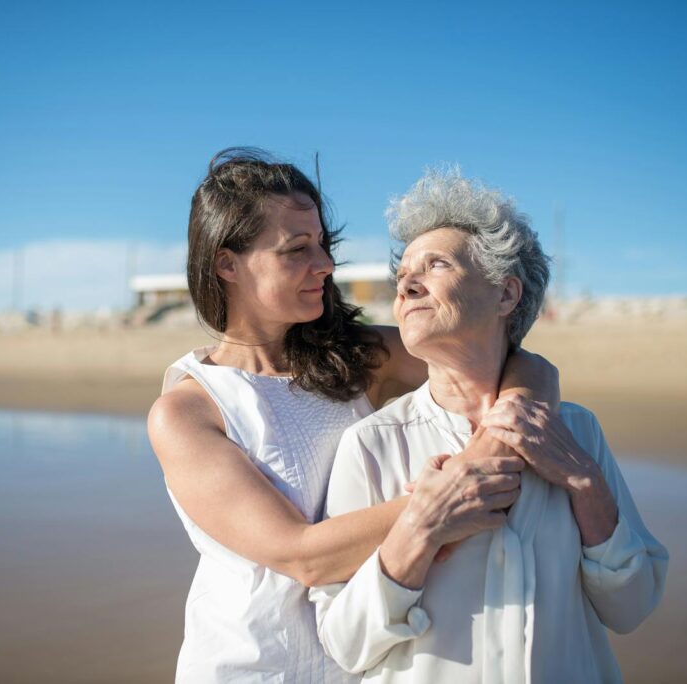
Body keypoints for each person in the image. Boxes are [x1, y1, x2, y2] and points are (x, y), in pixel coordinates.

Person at [147, 149, 559, 682]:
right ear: (227, 264)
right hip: (247, 667)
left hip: (364, 659)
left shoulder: (355, 358)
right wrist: (445, 499)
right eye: (297, 249)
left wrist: (499, 441)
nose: (324, 264)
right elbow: (302, 558)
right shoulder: (187, 411)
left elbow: (515, 359)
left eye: (322, 243)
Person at [310, 169, 669, 683]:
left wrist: (586, 484)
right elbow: (345, 645)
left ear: (506, 295)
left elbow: (632, 607)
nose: (408, 284)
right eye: (403, 274)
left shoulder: (576, 432)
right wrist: (420, 528)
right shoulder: (371, 443)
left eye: (436, 265)